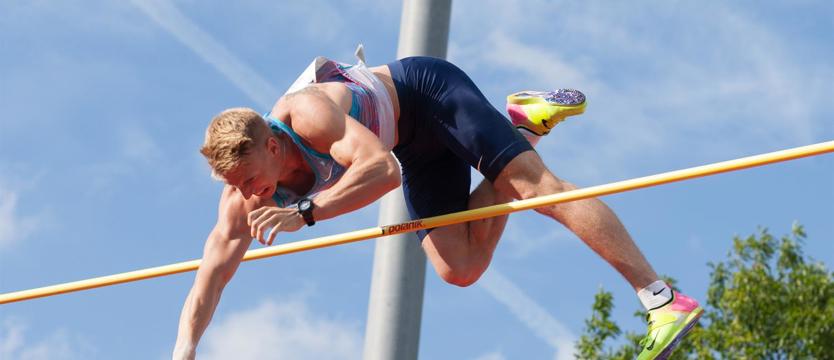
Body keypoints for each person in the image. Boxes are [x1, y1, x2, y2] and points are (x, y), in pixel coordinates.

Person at [173, 53, 702, 360]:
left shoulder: (308, 115)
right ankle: (522, 127)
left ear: (272, 146)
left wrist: (306, 213)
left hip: (428, 95)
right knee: (459, 267)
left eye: (249, 181)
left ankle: (662, 299)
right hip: (413, 146)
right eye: (236, 186)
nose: (248, 195)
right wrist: (185, 350)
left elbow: (381, 172)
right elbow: (210, 278)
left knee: (539, 190)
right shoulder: (240, 197)